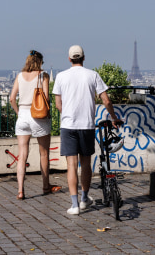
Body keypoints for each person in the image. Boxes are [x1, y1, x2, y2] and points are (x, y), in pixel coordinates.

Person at [52, 45, 120, 215]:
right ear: (83, 58)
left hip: (68, 126)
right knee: (86, 164)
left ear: (69, 59)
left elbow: (58, 104)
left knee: (71, 166)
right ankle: (84, 198)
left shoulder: (61, 76)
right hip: (87, 125)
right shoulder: (92, 75)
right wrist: (113, 118)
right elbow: (106, 100)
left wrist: (68, 114)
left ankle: (74, 205)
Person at [9, 50, 61, 200]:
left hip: (23, 116)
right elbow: (45, 97)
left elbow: (12, 98)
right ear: (40, 62)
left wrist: (19, 113)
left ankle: (20, 191)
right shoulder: (43, 76)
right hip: (37, 116)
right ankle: (45, 186)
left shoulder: (19, 76)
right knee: (44, 154)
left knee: (22, 155)